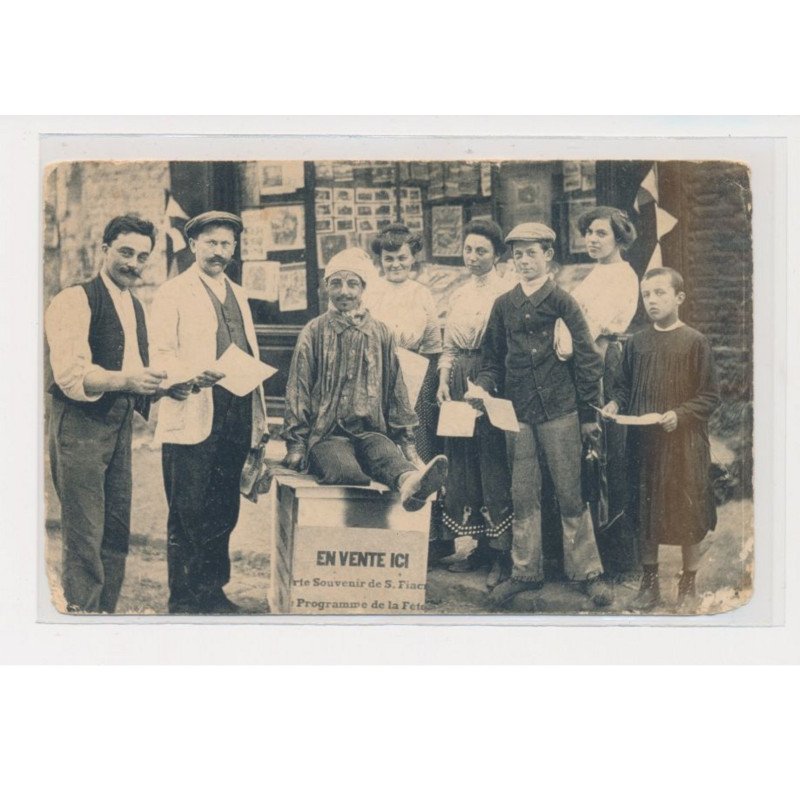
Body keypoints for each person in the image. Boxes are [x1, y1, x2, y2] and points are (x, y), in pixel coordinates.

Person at [471, 222, 611, 609]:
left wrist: (587, 414)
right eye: (517, 254)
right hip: (517, 415)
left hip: (560, 410)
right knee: (523, 493)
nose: (523, 261)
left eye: (531, 253)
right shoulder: (503, 304)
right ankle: (524, 573)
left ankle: (587, 573)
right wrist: (483, 386)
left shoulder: (564, 302)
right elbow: (491, 358)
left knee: (570, 491)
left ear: (548, 256)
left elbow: (587, 359)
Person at [46, 215, 167, 613]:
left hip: (117, 424)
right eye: (125, 252)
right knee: (85, 534)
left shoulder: (133, 305)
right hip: (80, 424)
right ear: (104, 250)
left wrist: (167, 385)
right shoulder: (74, 300)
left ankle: (104, 616)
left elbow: (131, 369)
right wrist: (130, 380)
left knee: (115, 531)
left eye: (142, 257)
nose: (133, 264)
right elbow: (70, 377)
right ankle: (81, 619)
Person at [150, 211, 268, 614]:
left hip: (234, 416)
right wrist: (191, 374)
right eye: (211, 243)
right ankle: (183, 601)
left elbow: (248, 350)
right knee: (188, 514)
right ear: (194, 244)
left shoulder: (238, 292)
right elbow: (160, 353)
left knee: (223, 511)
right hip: (193, 415)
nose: (219, 252)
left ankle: (212, 592)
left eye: (226, 244)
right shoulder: (173, 292)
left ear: (234, 249)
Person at [282, 247, 448, 512]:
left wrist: (406, 442)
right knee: (345, 471)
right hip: (327, 433)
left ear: (363, 289)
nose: (344, 291)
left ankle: (411, 487)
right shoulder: (314, 331)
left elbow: (396, 391)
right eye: (336, 283)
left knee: (388, 459)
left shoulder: (380, 332)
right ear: (327, 287)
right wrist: (296, 444)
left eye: (352, 284)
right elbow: (298, 390)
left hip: (371, 430)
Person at [602, 268, 720, 612]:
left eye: (659, 293)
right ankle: (649, 584)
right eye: (646, 295)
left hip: (684, 444)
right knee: (646, 511)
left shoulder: (695, 342)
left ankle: (688, 585)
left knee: (687, 511)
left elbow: (710, 395)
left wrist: (680, 415)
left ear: (679, 298)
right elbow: (623, 387)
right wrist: (615, 402)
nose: (652, 301)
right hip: (644, 443)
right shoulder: (636, 343)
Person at [561, 206, 641, 576]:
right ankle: (584, 554)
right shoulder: (595, 273)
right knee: (586, 453)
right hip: (585, 357)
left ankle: (613, 557)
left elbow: (587, 328)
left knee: (603, 451)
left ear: (619, 238)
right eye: (589, 233)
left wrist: (566, 348)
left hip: (602, 361)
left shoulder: (622, 275)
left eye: (601, 234)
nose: (592, 239)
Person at [436, 219, 514, 587]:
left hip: (491, 378)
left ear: (497, 254)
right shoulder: (459, 293)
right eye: (468, 249)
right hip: (457, 379)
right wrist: (442, 381)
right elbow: (448, 345)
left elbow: (503, 348)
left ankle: (502, 553)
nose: (473, 257)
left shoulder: (506, 291)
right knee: (464, 464)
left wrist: (487, 387)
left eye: (482, 250)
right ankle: (479, 546)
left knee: (492, 462)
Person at [368, 223, 442, 464]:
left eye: (402, 257)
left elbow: (432, 345)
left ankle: (420, 490)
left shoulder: (422, 294)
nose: (395, 264)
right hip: (375, 373)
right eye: (389, 259)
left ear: (413, 258)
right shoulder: (370, 292)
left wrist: (428, 389)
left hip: (414, 375)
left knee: (415, 437)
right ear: (380, 260)